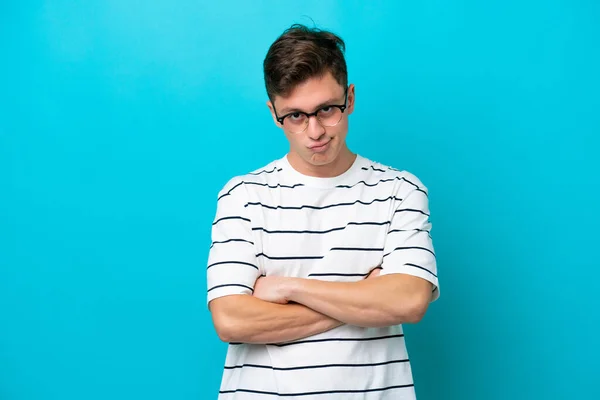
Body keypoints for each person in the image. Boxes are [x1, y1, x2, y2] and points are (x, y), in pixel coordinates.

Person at [206, 23, 439, 400]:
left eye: (327, 109)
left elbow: (409, 302)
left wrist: (288, 288)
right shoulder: (243, 196)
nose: (314, 131)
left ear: (350, 98)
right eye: (295, 116)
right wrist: (366, 298)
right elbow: (232, 320)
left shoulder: (400, 191)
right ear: (273, 113)